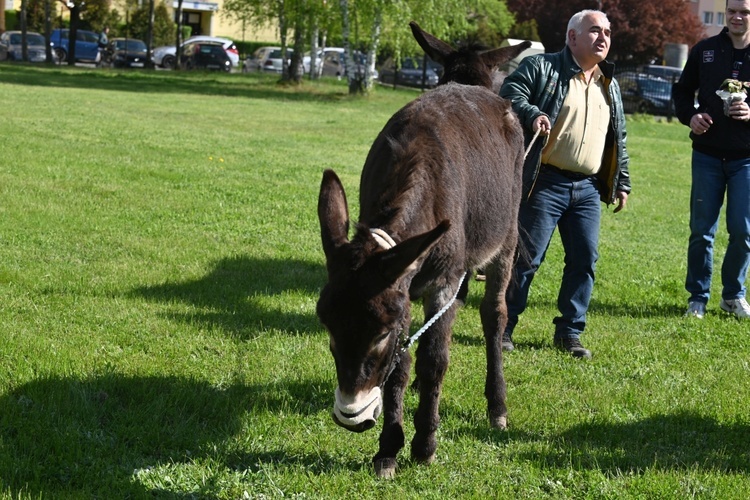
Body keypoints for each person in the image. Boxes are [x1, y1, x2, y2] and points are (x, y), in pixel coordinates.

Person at [498, 9, 631, 359]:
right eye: (594, 31)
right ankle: (504, 325)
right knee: (526, 260)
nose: (603, 38)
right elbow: (510, 92)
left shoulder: (609, 82)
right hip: (545, 181)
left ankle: (570, 333)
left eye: (607, 32)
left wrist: (623, 181)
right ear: (572, 37)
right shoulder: (542, 67)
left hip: (587, 189)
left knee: (584, 259)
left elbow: (618, 136)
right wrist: (532, 114)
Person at [673, 0, 750, 320]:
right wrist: (691, 117)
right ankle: (698, 298)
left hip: (746, 159)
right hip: (706, 155)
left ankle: (733, 295)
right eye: (732, 10)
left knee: (744, 232)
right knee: (702, 231)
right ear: (725, 13)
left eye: (745, 11)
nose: (737, 16)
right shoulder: (705, 49)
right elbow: (681, 93)